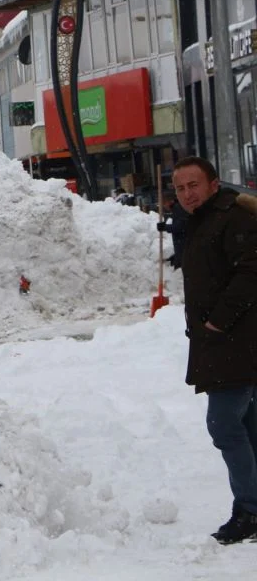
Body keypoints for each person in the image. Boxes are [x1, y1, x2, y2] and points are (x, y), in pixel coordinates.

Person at [172, 156, 257, 544]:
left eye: (193, 185)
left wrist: (217, 322)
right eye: (179, 188)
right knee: (247, 423)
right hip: (228, 341)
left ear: (214, 183)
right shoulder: (205, 219)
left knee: (223, 424)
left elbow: (250, 273)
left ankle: (251, 510)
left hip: (236, 342)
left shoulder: (233, 218)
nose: (187, 193)